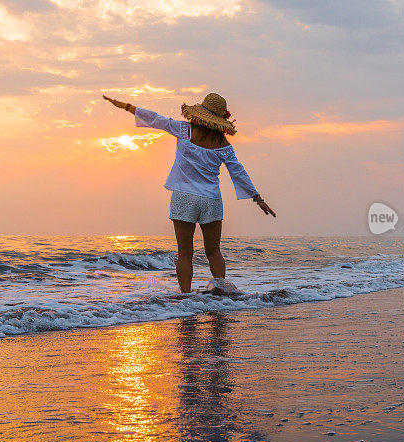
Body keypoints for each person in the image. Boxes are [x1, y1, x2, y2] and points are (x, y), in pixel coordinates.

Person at [103, 92, 276, 293]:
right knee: (214, 251)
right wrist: (257, 198)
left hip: (184, 197)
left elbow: (156, 119)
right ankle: (221, 293)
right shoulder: (223, 145)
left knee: (185, 254)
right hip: (211, 200)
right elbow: (238, 171)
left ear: (200, 113)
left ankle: (185, 299)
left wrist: (127, 106)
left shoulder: (184, 130)